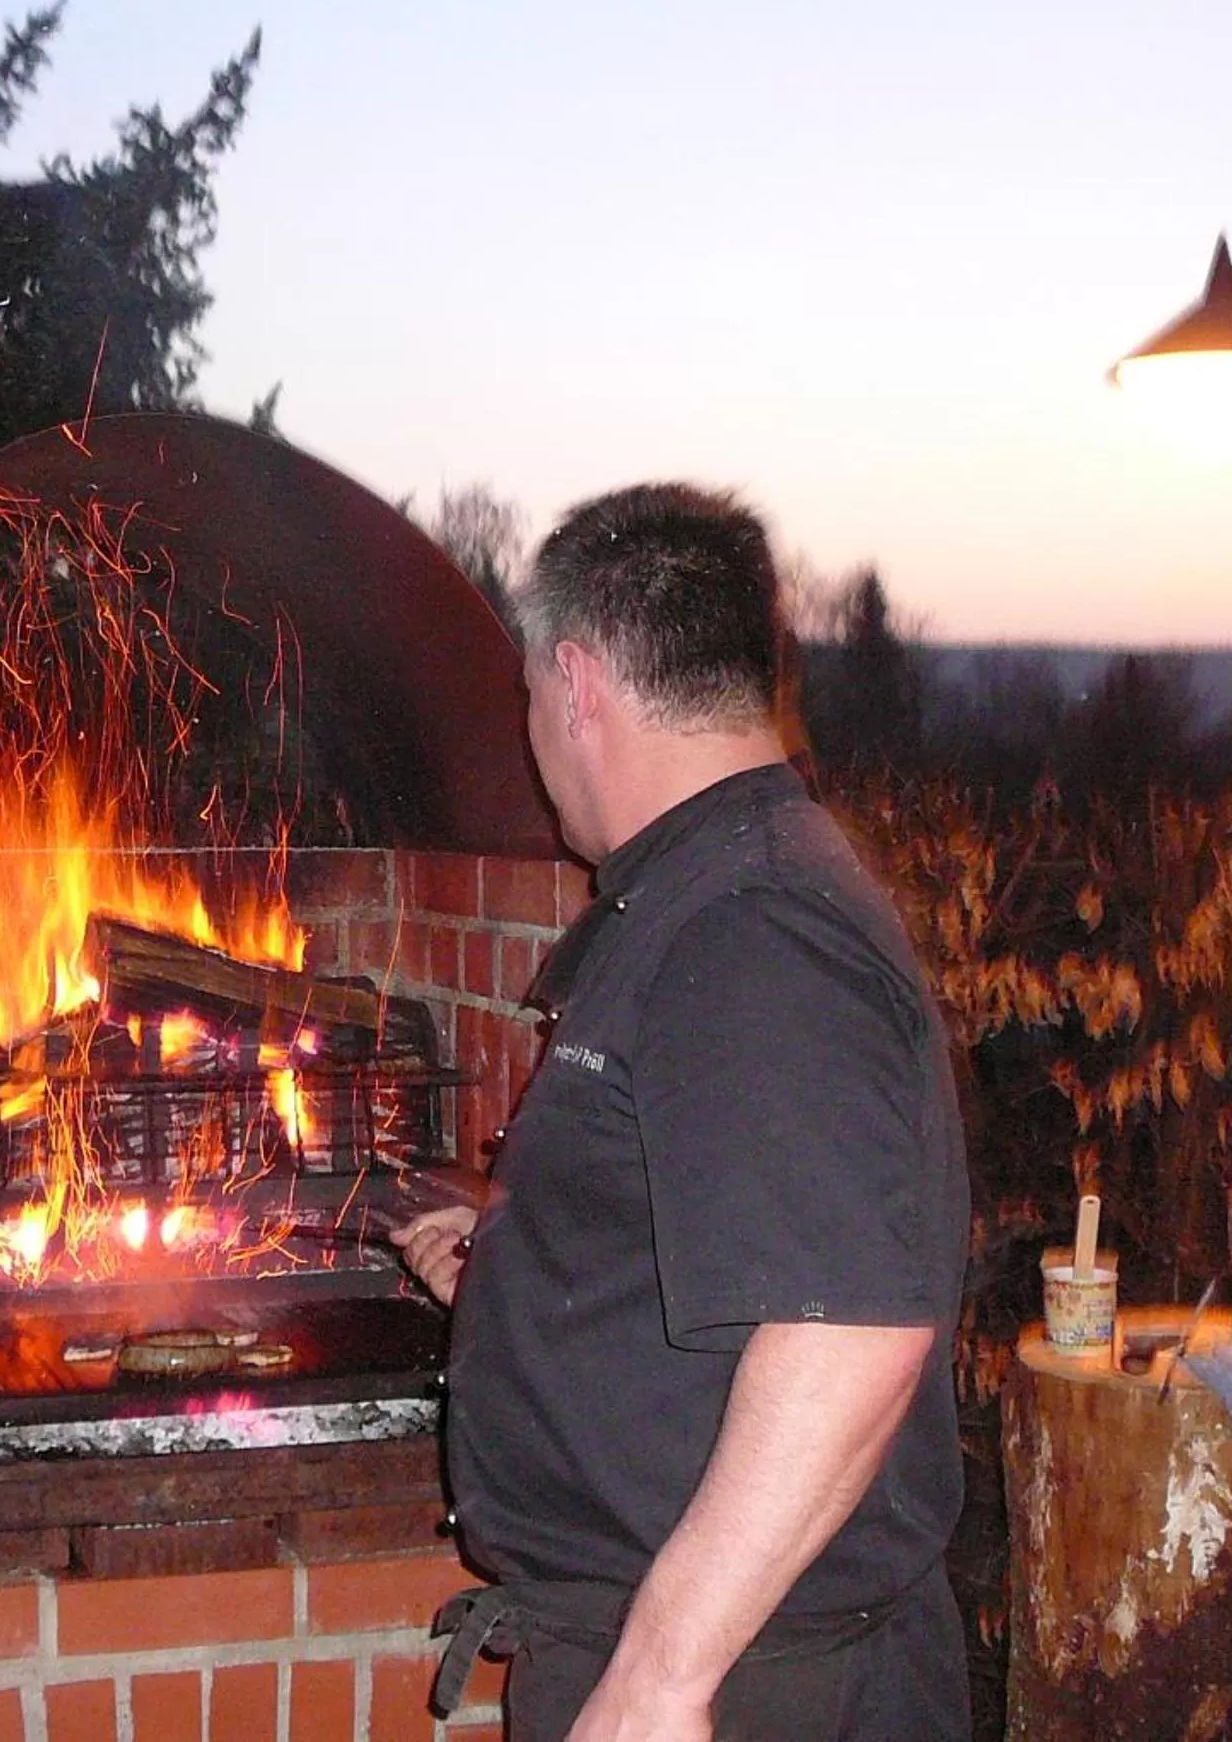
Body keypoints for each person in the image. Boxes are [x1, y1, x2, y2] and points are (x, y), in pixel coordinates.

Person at [396, 485, 970, 1742]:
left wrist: (663, 1674)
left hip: (756, 1686)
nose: (533, 731)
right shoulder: (710, 895)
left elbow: (851, 1331)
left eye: (530, 698)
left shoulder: (750, 926)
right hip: (716, 1656)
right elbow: (733, 1244)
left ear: (579, 680)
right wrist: (528, 1288)